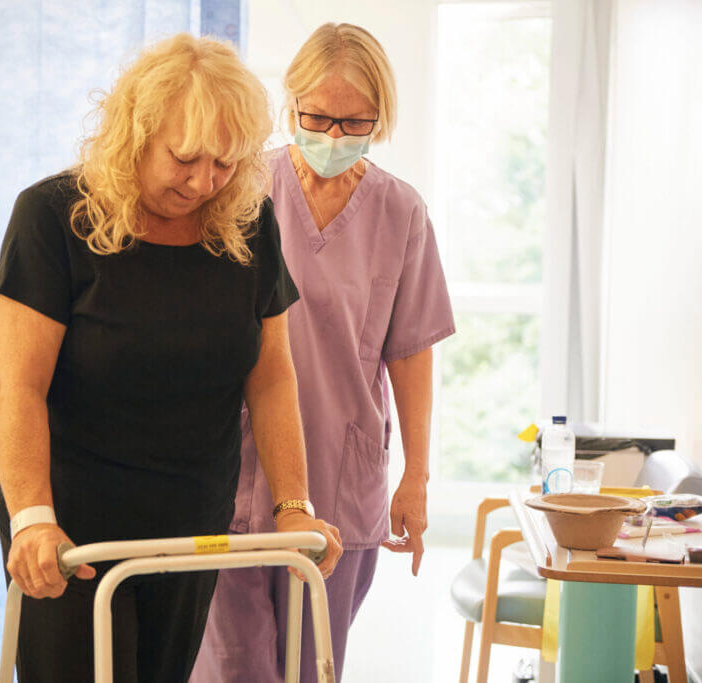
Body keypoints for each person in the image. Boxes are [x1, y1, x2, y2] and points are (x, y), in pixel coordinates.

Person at [0, 33, 342, 682]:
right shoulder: (51, 218)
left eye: (226, 164)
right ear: (136, 134)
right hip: (72, 525)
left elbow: (270, 378)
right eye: (186, 159)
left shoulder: (246, 223)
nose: (205, 181)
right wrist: (32, 517)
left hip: (188, 517)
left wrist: (294, 503)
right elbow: (17, 384)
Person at [188, 23, 455, 682]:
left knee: (312, 668)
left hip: (341, 472)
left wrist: (415, 476)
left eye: (355, 122)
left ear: (381, 119)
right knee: (234, 669)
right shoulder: (242, 190)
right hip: (235, 475)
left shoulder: (400, 212)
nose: (334, 136)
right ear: (291, 106)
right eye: (319, 117)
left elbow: (411, 352)